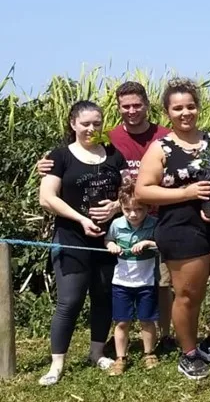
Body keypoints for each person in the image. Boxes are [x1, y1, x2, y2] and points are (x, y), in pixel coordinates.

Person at [37, 81, 175, 350]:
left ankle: (163, 336)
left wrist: (116, 205)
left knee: (160, 285)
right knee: (114, 287)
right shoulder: (107, 139)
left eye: (137, 105)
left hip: (158, 220)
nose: (132, 110)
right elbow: (73, 158)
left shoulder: (165, 136)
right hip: (117, 229)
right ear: (118, 108)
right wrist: (46, 163)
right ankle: (117, 337)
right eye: (126, 106)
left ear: (147, 105)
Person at [136, 79, 210, 380]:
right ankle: (188, 353)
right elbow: (142, 191)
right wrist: (184, 194)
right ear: (167, 112)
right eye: (178, 108)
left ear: (198, 107)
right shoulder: (160, 148)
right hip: (179, 226)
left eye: (190, 106)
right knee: (189, 293)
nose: (185, 112)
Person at [37, 100, 126, 385]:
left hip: (108, 239)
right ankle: (57, 363)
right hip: (71, 236)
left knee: (103, 296)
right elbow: (47, 197)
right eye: (85, 124)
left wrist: (115, 207)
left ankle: (96, 352)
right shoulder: (60, 156)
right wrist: (80, 219)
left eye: (96, 124)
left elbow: (129, 191)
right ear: (73, 124)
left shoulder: (113, 154)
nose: (91, 129)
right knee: (70, 300)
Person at [104, 181, 160, 375]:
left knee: (147, 319)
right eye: (127, 209)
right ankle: (121, 357)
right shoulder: (116, 224)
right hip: (121, 281)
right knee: (121, 321)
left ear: (147, 207)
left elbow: (162, 243)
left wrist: (148, 243)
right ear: (121, 207)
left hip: (147, 281)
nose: (133, 214)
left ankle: (149, 353)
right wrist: (110, 245)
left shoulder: (154, 224)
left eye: (138, 209)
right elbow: (108, 239)